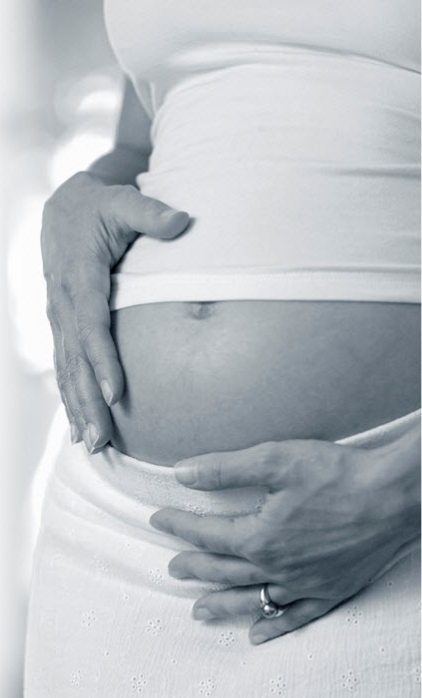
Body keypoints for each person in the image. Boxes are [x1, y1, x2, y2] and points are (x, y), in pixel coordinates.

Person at [25, 1, 421, 695]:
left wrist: (405, 494)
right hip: (111, 519)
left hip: (384, 525)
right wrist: (77, 201)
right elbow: (148, 137)